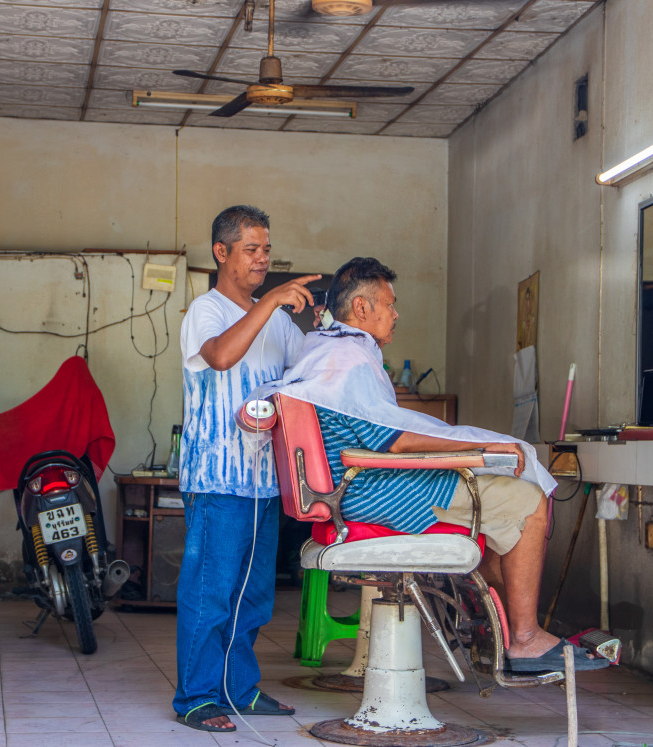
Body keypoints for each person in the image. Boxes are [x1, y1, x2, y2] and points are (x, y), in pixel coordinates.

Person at [252, 257, 609, 674]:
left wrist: (474, 449)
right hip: (376, 490)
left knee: (497, 498)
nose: (396, 313)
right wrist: (482, 448)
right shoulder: (347, 360)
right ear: (362, 308)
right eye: (389, 303)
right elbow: (395, 439)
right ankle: (525, 639)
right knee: (526, 500)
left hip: (352, 488)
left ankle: (494, 626)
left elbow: (383, 434)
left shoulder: (326, 350)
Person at [173, 205, 320, 732]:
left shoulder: (279, 322)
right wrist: (275, 301)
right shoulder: (206, 312)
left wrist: (331, 333)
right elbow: (220, 357)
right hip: (216, 478)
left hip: (264, 482)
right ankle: (195, 696)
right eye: (251, 249)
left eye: (266, 250)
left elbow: (310, 376)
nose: (262, 259)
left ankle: (239, 690)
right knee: (211, 592)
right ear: (222, 252)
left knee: (254, 596)